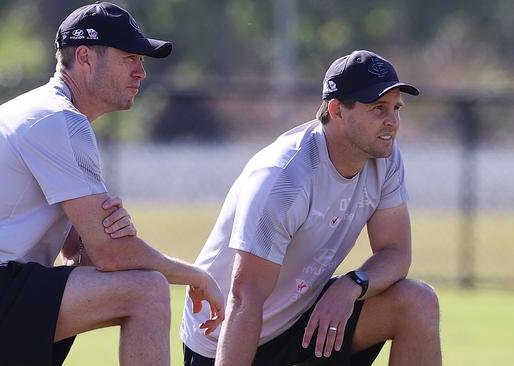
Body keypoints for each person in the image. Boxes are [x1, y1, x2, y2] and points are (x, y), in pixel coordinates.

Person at [0, 3, 224, 366]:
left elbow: (81, 255)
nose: (141, 72)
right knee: (147, 291)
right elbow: (113, 255)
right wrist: (196, 275)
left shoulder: (39, 111)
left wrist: (96, 237)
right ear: (84, 57)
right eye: (130, 57)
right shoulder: (58, 119)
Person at [181, 50, 442, 366]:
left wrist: (352, 285)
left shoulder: (385, 158)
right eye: (378, 108)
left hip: (303, 321)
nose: (392, 122)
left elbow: (396, 254)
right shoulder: (283, 178)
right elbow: (244, 300)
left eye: (396, 108)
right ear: (337, 110)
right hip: (230, 338)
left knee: (417, 302)